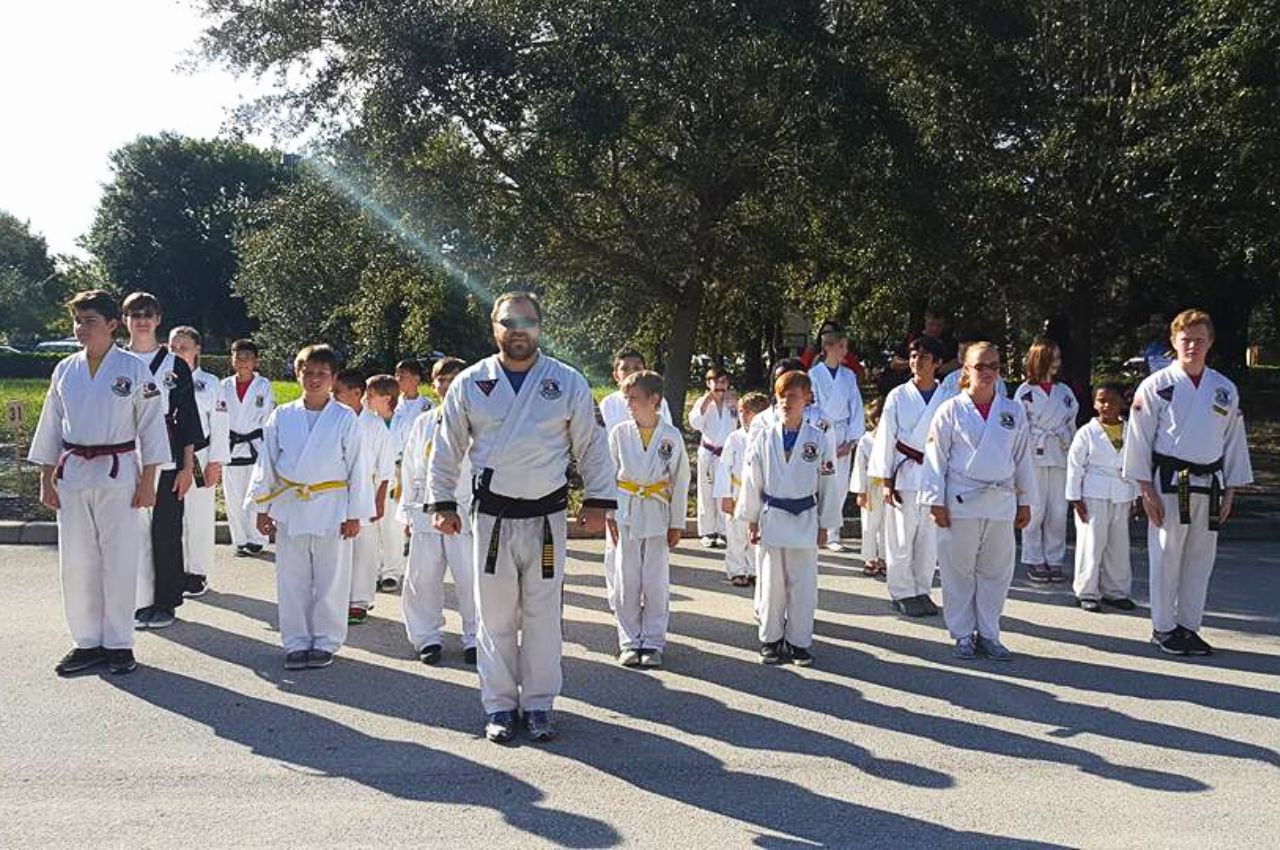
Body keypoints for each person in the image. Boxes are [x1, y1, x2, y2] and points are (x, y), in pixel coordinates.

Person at [427, 291, 615, 744]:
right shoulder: (471, 382)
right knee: (494, 616)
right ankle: (498, 704)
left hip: (546, 518)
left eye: (527, 322)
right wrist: (442, 501)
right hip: (493, 517)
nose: (518, 330)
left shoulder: (566, 381)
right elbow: (447, 446)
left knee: (543, 615)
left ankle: (538, 704)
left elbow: (591, 444)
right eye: (508, 322)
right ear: (494, 328)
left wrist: (598, 498)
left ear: (540, 327)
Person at [29, 290, 170, 676]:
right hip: (73, 473)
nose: (81, 328)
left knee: (120, 560)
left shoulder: (134, 369)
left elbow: (152, 427)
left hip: (119, 473)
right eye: (77, 321)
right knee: (77, 562)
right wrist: (45, 478)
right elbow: (50, 425)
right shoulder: (65, 369)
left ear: (111, 324)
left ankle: (119, 643)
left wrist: (149, 480)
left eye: (89, 321)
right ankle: (87, 641)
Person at [1123, 309, 1252, 657]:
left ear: (1210, 343)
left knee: (1201, 557)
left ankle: (1189, 626)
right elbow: (1138, 440)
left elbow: (1233, 443)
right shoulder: (1156, 386)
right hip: (1168, 482)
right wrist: (1144, 490)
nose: (1192, 346)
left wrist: (1231, 491)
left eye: (1199, 340)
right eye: (1186, 340)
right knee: (1166, 554)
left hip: (1210, 483)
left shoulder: (1224, 389)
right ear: (1173, 342)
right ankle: (1163, 627)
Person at [248, 344, 373, 670]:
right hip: (290, 505)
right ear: (297, 373)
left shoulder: (344, 417)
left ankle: (326, 640)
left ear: (333, 378)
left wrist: (355, 514)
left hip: (332, 506)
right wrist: (263, 507)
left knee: (331, 578)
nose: (315, 379)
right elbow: (267, 463)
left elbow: (357, 467)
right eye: (308, 372)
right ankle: (296, 641)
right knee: (292, 579)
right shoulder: (282, 415)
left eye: (322, 374)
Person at [922, 342, 1037, 661]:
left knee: (996, 572)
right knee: (958, 570)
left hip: (1001, 500)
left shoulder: (1013, 411)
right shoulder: (950, 409)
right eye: (980, 366)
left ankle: (989, 633)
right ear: (966, 370)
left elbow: (1023, 459)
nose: (987, 372)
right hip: (961, 499)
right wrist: (935, 500)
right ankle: (962, 634)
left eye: (994, 366)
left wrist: (1026, 500)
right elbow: (935, 458)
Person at [736, 371, 844, 667]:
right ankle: (770, 639)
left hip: (805, 517)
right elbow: (752, 480)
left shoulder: (818, 438)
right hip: (772, 516)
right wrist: (752, 518)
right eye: (782, 396)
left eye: (793, 396)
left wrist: (825, 523)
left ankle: (799, 642)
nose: (786, 401)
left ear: (807, 399)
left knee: (803, 584)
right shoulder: (763, 436)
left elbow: (827, 482)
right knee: (771, 583)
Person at [122, 292, 203, 630]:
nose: (142, 320)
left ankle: (165, 601)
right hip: (124, 454)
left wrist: (186, 467)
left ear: (158, 319)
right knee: (129, 531)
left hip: (168, 453)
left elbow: (188, 418)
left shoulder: (175, 365)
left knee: (166, 530)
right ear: (124, 320)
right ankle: (134, 599)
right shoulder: (115, 361)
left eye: (148, 314)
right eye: (135, 314)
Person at [606, 370, 690, 669]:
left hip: (657, 511)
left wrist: (677, 523)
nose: (628, 405)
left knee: (655, 581)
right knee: (626, 580)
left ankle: (653, 642)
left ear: (654, 400)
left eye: (634, 399)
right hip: (625, 509)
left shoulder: (671, 436)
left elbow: (681, 480)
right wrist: (608, 513)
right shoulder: (619, 433)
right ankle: (629, 642)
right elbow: (607, 475)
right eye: (626, 399)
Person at [399, 357, 478, 665]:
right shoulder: (424, 422)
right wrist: (407, 513)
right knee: (423, 578)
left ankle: (475, 636)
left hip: (466, 509)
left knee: (471, 578)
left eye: (454, 379)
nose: (448, 385)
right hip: (426, 509)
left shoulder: (479, 421)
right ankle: (426, 637)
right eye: (442, 380)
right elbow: (409, 468)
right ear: (433, 386)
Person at [869, 336, 947, 617]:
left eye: (924, 357)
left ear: (937, 363)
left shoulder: (948, 397)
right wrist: (885, 479)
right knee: (901, 537)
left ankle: (922, 589)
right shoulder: (898, 395)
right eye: (914, 356)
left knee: (929, 539)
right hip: (904, 472)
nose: (916, 361)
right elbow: (886, 437)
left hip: (936, 473)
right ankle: (902, 591)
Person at [598, 347, 673, 612]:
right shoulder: (608, 405)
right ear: (615, 374)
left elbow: (666, 443)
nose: (631, 372)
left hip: (651, 485)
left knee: (650, 553)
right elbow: (603, 451)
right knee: (616, 547)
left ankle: (646, 601)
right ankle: (618, 599)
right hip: (621, 486)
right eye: (625, 368)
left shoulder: (658, 403)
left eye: (637, 367)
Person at [167, 327, 230, 598]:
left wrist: (216, 461)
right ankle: (174, 569)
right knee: (170, 516)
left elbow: (221, 424)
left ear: (197, 350)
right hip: (168, 454)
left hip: (200, 455)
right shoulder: (163, 378)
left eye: (184, 347)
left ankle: (197, 572)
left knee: (199, 515)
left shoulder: (210, 383)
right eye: (173, 347)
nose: (178, 352)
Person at [1066, 383, 1138, 613]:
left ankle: (1116, 591)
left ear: (1122, 403)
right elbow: (1075, 466)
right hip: (1092, 493)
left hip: (1122, 492)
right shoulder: (1086, 432)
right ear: (1094, 403)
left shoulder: (1132, 430)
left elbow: (1138, 464)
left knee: (1119, 544)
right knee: (1092, 542)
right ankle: (1086, 591)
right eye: (1101, 401)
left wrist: (1137, 496)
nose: (1106, 406)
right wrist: (1075, 497)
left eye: (1112, 401)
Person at [1016, 339, 1078, 583]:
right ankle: (1034, 557)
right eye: (1052, 358)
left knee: (1059, 511)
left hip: (1060, 451)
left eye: (1058, 358)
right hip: (1034, 454)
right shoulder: (1025, 392)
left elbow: (1071, 423)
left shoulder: (1065, 392)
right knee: (1035, 509)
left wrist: (1071, 447)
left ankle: (1055, 558)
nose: (1056, 363)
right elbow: (1020, 427)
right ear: (1038, 360)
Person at [343, 373, 400, 625]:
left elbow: (385, 467)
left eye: (339, 391)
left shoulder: (374, 424)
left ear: (355, 393)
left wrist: (379, 499)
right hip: (336, 492)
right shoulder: (335, 418)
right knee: (338, 548)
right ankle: (338, 598)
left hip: (366, 490)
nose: (334, 396)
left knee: (364, 548)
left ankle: (359, 601)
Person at [807, 327, 866, 551]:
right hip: (820, 432)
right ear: (827, 347)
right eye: (841, 346)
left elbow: (856, 407)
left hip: (842, 433)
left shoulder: (848, 376)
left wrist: (851, 440)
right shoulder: (814, 375)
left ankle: (833, 533)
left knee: (839, 484)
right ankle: (813, 529)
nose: (845, 351)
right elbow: (812, 406)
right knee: (817, 482)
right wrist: (820, 436)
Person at [221, 339, 275, 557]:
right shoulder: (224, 386)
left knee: (255, 493)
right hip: (231, 446)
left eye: (248, 358)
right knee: (233, 496)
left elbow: (268, 417)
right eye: (239, 357)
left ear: (256, 362)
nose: (243, 362)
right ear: (232, 360)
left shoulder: (264, 386)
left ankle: (257, 539)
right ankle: (240, 540)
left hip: (255, 445)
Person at [714, 392, 771, 589]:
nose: (743, 416)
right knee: (736, 534)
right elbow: (724, 468)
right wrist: (725, 496)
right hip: (737, 490)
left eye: (748, 412)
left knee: (757, 535)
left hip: (761, 492)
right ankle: (737, 570)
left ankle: (755, 570)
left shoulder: (769, 436)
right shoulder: (735, 438)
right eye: (740, 411)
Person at [382, 359, 429, 591]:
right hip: (390, 466)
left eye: (404, 375)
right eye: (397, 374)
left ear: (416, 378)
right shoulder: (391, 403)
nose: (398, 378)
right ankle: (388, 568)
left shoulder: (426, 406)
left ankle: (398, 566)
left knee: (407, 516)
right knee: (388, 518)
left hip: (414, 468)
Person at [689, 367, 738, 548]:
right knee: (706, 492)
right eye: (715, 382)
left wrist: (736, 404)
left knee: (725, 492)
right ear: (708, 383)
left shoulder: (732, 402)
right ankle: (708, 531)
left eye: (723, 382)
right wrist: (705, 403)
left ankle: (724, 530)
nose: (719, 386)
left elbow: (741, 423)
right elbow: (695, 423)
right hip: (708, 453)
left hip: (727, 453)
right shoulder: (703, 402)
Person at [850, 400, 886, 578]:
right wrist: (861, 491)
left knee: (888, 525)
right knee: (870, 524)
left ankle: (884, 558)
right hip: (871, 486)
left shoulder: (894, 438)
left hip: (889, 485)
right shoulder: (866, 440)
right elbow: (859, 467)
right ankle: (870, 558)